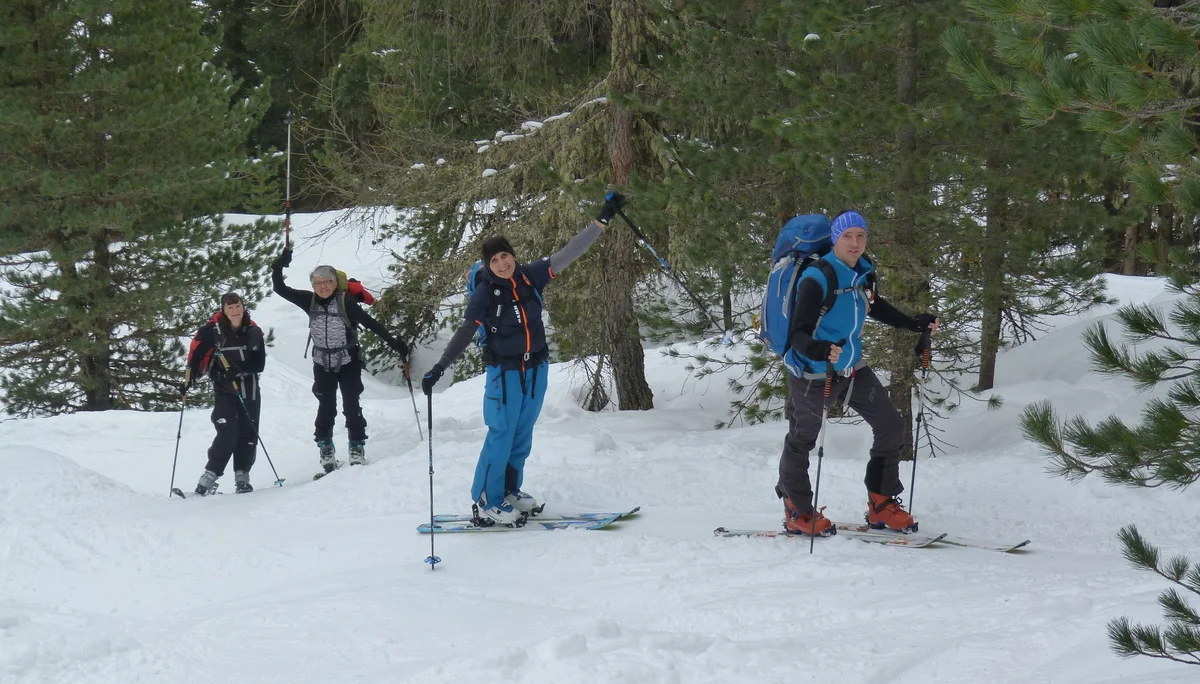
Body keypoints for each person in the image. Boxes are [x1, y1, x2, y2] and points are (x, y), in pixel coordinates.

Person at [421, 192, 624, 525]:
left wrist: (601, 221)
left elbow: (569, 252)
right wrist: (440, 367)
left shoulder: (530, 276)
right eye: (495, 260)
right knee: (501, 433)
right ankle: (488, 499)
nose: (502, 264)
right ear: (487, 265)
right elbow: (465, 331)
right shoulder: (485, 293)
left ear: (512, 256)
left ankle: (510, 491)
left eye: (505, 256)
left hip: (535, 369)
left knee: (522, 433)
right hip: (505, 374)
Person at [777, 210, 938, 535]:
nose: (855, 242)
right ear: (835, 239)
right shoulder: (818, 277)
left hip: (851, 368)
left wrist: (912, 323)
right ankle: (797, 509)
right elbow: (798, 334)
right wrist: (819, 350)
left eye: (860, 236)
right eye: (847, 236)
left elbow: (875, 305)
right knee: (802, 440)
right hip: (814, 372)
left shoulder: (861, 274)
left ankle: (881, 503)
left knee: (890, 424)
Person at [270, 251, 411, 472]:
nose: (323, 286)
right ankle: (325, 448)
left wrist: (395, 344)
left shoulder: (346, 302)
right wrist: (278, 267)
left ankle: (356, 446)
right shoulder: (309, 300)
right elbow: (280, 289)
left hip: (349, 361)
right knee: (326, 406)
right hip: (322, 363)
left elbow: (371, 323)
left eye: (328, 282)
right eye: (318, 283)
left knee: (351, 404)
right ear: (313, 285)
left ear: (335, 284)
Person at [182, 292, 267, 495]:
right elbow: (196, 357)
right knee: (227, 431)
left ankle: (242, 475)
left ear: (243, 307)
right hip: (224, 389)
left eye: (237, 306)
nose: (234, 311)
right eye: (230, 307)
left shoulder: (253, 331)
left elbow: (259, 364)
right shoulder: (212, 331)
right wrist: (188, 380)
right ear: (223, 310)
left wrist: (238, 368)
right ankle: (210, 475)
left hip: (249, 389)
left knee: (248, 432)